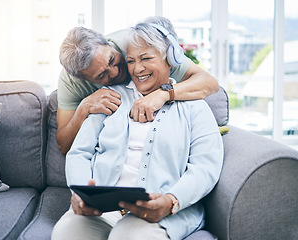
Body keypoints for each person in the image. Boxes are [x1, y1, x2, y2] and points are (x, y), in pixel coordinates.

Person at [51, 18, 224, 240]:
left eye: (146, 58)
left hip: (164, 208)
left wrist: (172, 200)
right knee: (67, 232)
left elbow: (206, 166)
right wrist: (80, 193)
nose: (136, 68)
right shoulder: (108, 99)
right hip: (104, 210)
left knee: (128, 235)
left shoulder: (194, 107)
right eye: (131, 61)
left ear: (170, 60)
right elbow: (78, 152)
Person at [56, 16, 220, 155]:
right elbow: (64, 146)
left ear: (107, 44)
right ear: (85, 79)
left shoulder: (136, 43)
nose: (114, 72)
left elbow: (209, 83)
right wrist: (83, 108)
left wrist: (163, 94)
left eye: (112, 60)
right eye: (102, 75)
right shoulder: (71, 81)